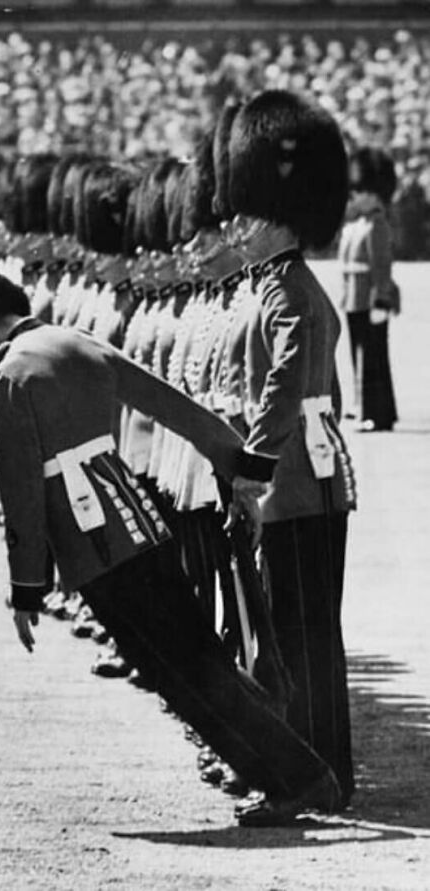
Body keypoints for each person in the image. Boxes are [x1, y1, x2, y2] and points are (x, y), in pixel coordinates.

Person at [0, 262, 343, 826]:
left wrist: (27, 586)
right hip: (141, 521)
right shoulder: (74, 340)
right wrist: (241, 469)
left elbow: (23, 494)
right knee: (201, 659)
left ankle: (293, 781)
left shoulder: (3, 376)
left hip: (93, 547)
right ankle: (303, 774)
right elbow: (178, 409)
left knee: (181, 677)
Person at [225, 89, 357, 810]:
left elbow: (282, 391)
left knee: (300, 637)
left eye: (248, 214)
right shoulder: (281, 286)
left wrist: (251, 469)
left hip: (297, 483)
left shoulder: (291, 294)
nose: (237, 229)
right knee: (300, 633)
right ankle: (320, 772)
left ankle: (309, 778)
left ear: (278, 217)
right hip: (301, 480)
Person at [338, 146, 399, 431]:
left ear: (374, 193)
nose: (355, 197)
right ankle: (363, 405)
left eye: (360, 191)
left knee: (374, 360)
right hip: (354, 300)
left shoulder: (377, 225)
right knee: (359, 358)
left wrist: (382, 301)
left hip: (370, 301)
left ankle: (378, 412)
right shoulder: (357, 225)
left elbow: (381, 267)